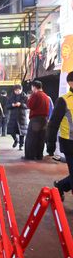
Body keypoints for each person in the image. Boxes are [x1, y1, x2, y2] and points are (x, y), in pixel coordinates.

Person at [48, 71, 73, 201]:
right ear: (70, 83)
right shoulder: (63, 100)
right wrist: (50, 145)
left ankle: (60, 186)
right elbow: (53, 124)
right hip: (69, 143)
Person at [24, 80, 49, 160]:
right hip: (44, 119)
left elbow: (30, 105)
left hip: (36, 120)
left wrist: (29, 98)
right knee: (41, 138)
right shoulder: (46, 96)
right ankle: (39, 155)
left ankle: (30, 156)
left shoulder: (36, 95)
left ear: (34, 87)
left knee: (31, 138)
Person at [7, 84, 28, 150]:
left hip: (22, 116)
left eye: (19, 90)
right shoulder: (11, 97)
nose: (17, 92)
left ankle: (21, 145)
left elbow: (27, 106)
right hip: (13, 117)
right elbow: (7, 106)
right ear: (14, 90)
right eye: (16, 90)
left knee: (22, 132)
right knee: (11, 131)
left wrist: (21, 104)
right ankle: (16, 139)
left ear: (21, 90)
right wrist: (12, 105)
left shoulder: (25, 97)